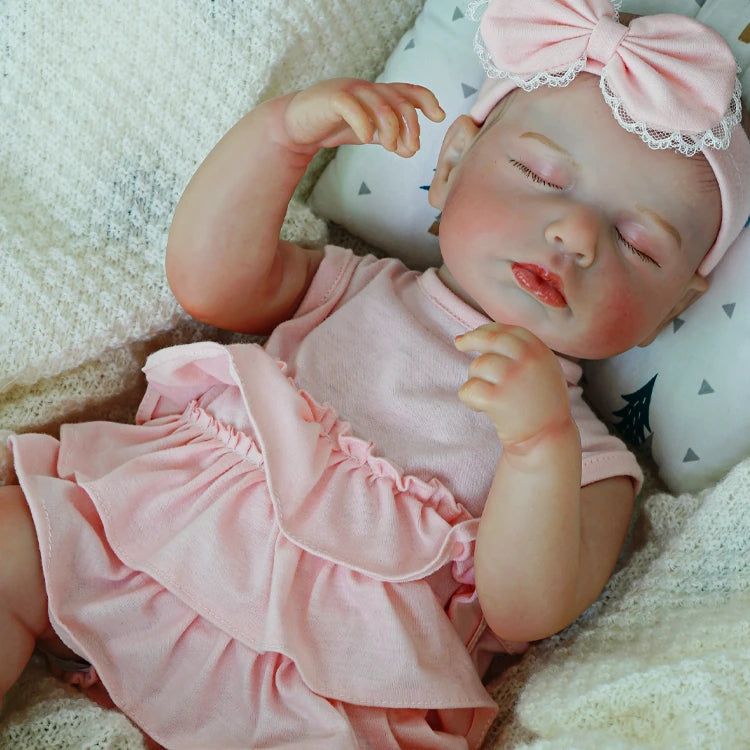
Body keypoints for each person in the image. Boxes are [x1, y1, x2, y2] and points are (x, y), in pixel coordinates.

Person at [2, 0, 749, 747]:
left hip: (324, 672)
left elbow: (525, 609)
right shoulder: (356, 285)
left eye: (638, 244)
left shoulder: (590, 462)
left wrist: (536, 444)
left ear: (669, 310)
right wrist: (283, 138)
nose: (574, 234)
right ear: (450, 168)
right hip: (148, 539)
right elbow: (208, 281)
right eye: (539, 173)